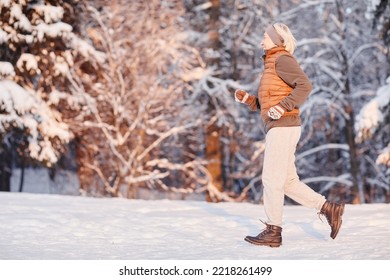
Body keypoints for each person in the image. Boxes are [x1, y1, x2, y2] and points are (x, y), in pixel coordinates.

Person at [234, 23, 345, 248]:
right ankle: (328, 208)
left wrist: (283, 107)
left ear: (277, 39)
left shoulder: (282, 59)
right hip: (281, 126)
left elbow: (305, 86)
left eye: (264, 36)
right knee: (288, 181)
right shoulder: (271, 63)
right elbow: (268, 104)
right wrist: (249, 100)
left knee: (271, 179)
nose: (261, 41)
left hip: (283, 126)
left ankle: (273, 231)